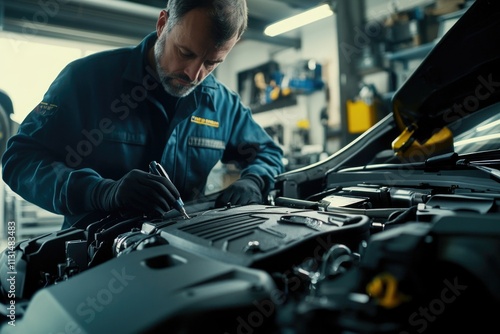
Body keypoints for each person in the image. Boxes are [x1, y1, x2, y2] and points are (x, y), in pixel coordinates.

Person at [1, 0, 284, 229]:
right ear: (162, 24)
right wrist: (101, 192)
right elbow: (19, 161)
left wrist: (255, 180)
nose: (194, 74)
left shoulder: (221, 103)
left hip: (186, 257)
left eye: (212, 63)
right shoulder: (86, 80)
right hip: (92, 259)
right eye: (185, 52)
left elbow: (268, 153)